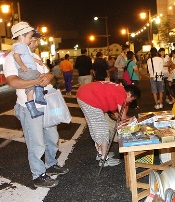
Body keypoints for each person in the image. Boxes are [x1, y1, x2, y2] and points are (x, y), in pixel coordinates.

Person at [4, 29, 69, 188]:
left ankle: (51, 164)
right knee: (36, 143)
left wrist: (48, 77)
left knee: (52, 139)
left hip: (45, 104)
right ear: (24, 38)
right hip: (29, 107)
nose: (36, 41)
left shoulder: (36, 57)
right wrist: (35, 82)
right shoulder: (11, 58)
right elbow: (12, 82)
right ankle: (38, 175)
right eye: (33, 38)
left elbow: (50, 75)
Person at [76, 82, 141, 166]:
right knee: (102, 129)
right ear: (129, 94)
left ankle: (101, 153)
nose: (130, 102)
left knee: (95, 126)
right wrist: (133, 120)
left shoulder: (119, 90)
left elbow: (118, 115)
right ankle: (104, 159)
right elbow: (123, 118)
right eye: (132, 99)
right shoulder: (122, 94)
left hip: (83, 95)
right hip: (89, 98)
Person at [11, 22, 47, 118]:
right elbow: (16, 56)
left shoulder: (23, 48)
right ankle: (39, 96)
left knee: (30, 91)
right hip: (28, 71)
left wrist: (37, 60)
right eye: (30, 37)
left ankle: (33, 109)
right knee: (40, 76)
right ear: (22, 37)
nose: (31, 40)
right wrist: (22, 65)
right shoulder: (21, 46)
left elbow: (29, 57)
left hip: (26, 72)